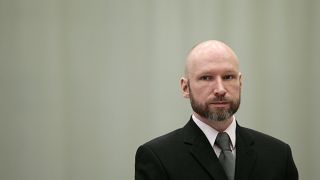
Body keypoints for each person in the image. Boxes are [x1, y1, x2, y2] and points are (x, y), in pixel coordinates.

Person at [135, 40, 298, 180]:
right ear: (186, 87)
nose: (220, 89)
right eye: (206, 78)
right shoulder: (158, 157)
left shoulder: (278, 155)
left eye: (228, 77)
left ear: (240, 82)